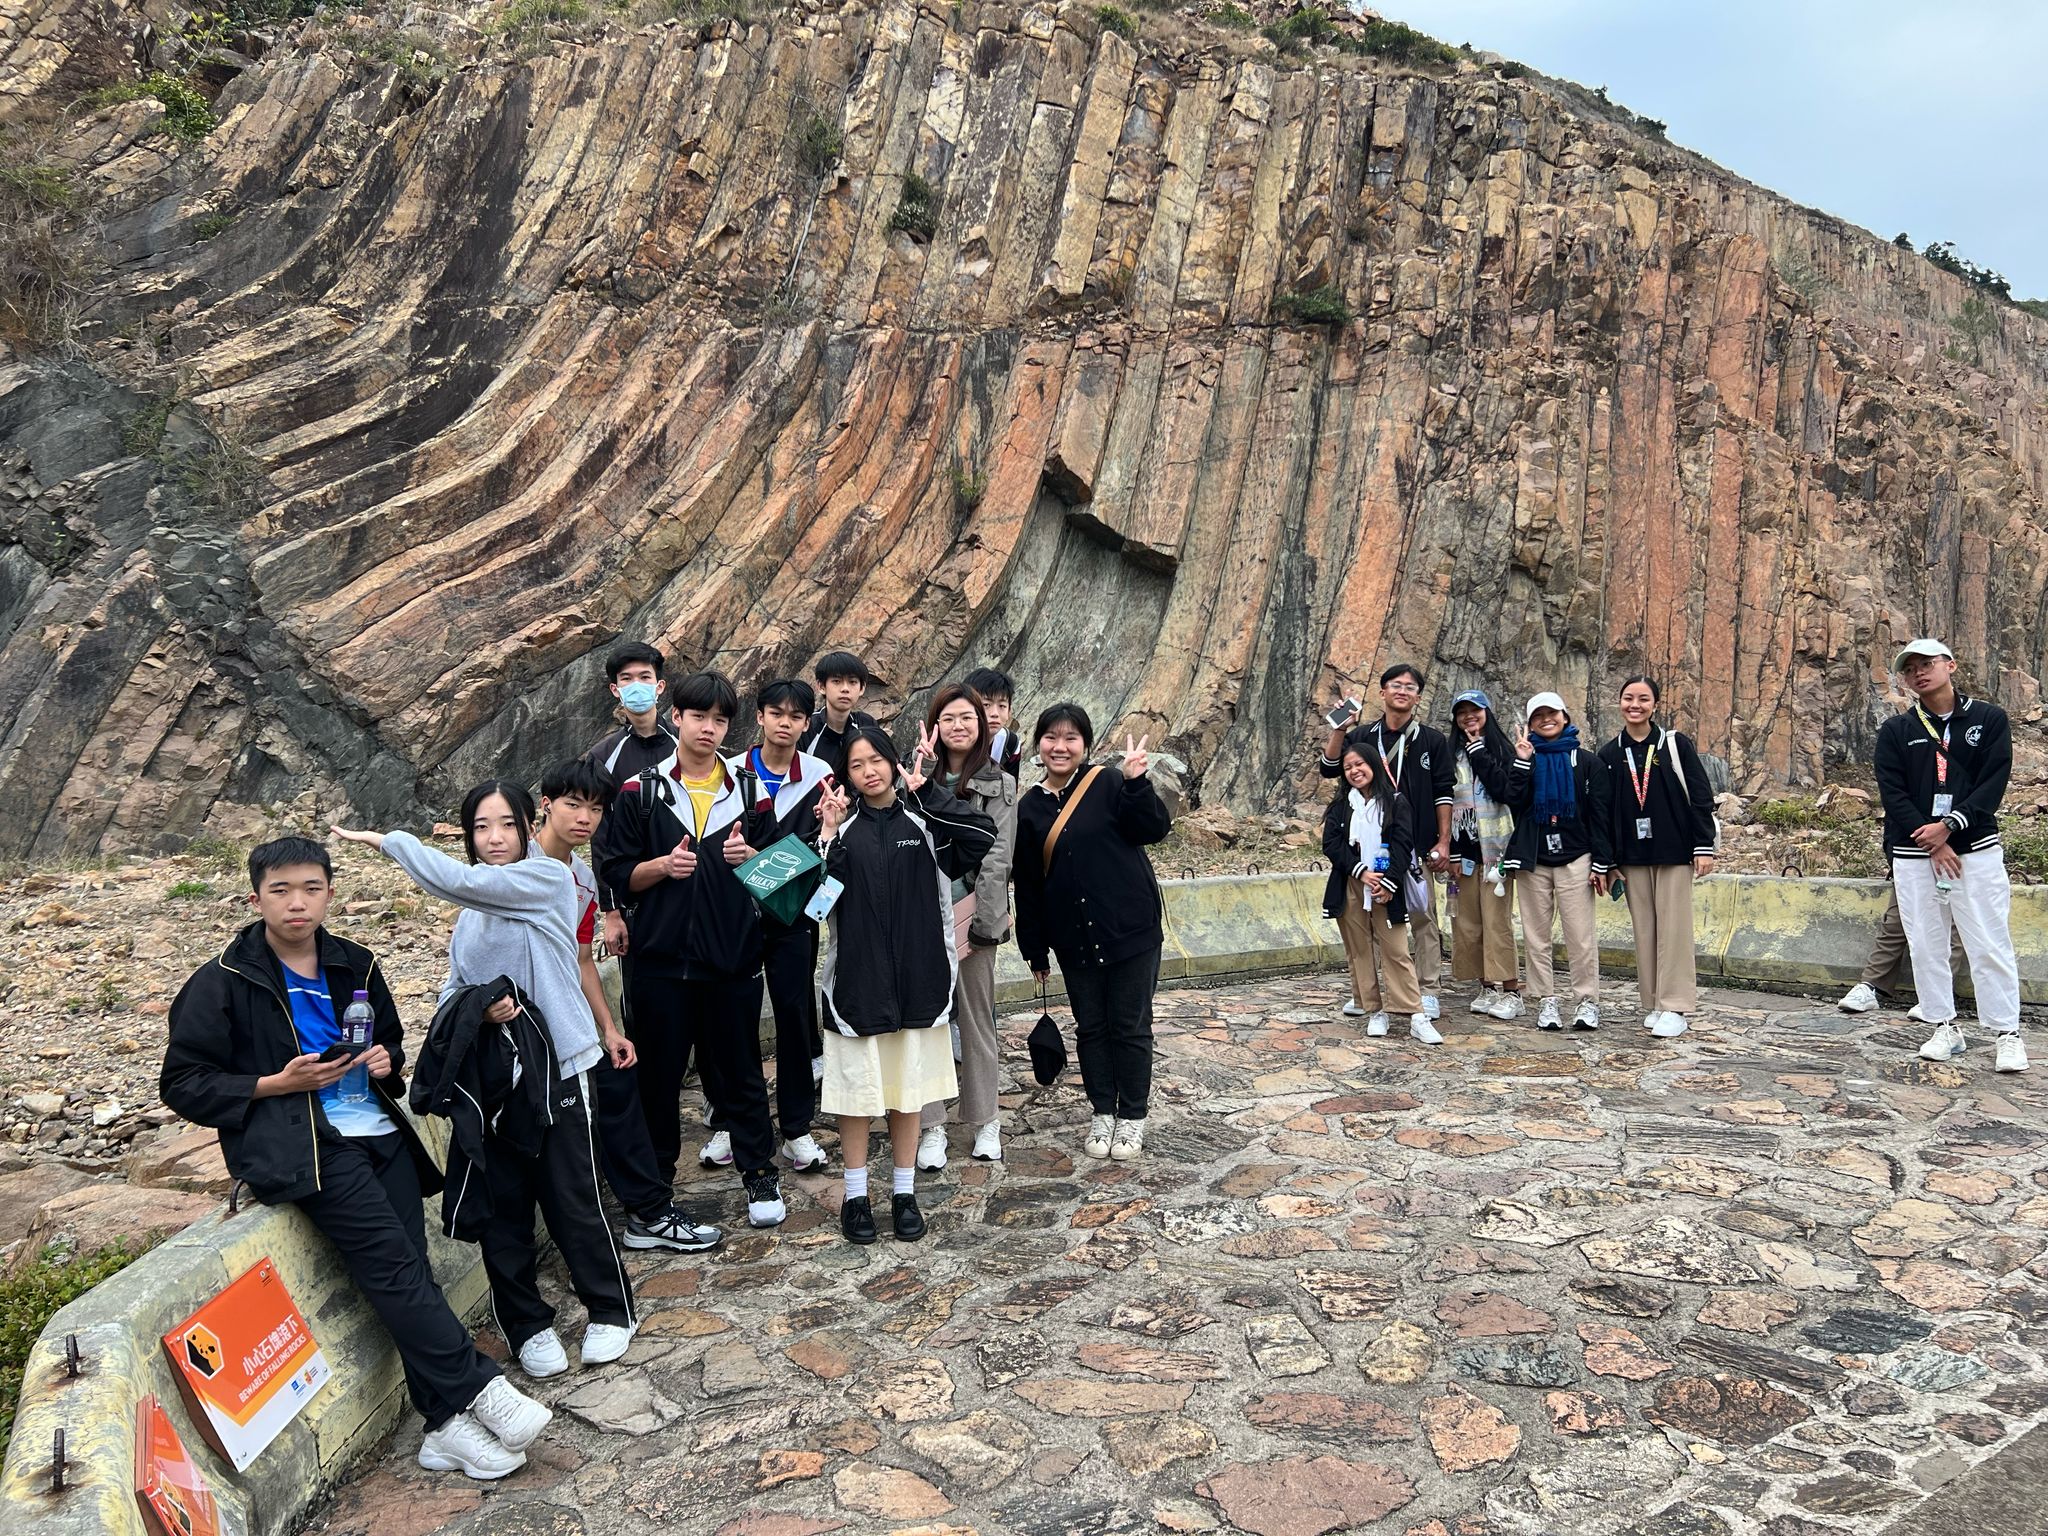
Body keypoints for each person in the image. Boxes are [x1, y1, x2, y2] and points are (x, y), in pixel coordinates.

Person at [161, 838, 552, 1480]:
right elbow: (182, 1083)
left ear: (330, 894)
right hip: (306, 1145)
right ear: (256, 898)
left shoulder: (356, 963)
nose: (297, 903)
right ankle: (482, 1390)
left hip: (378, 1131)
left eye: (311, 889)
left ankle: (442, 1427)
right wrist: (275, 1084)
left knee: (408, 1273)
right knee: (396, 1269)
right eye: (281, 890)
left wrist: (384, 1061)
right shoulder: (223, 980)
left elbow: (392, 1045)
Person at [332, 790, 639, 1383]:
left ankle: (610, 1309)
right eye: (480, 827)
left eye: (506, 825)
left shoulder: (547, 878)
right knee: (503, 1209)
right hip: (495, 1083)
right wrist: (479, 1006)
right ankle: (526, 1325)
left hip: (560, 1066)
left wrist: (392, 842)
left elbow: (460, 881)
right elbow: (453, 988)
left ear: (529, 827)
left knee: (572, 1197)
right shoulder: (471, 914)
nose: (494, 838)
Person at [591, 671, 790, 1224]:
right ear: (676, 716)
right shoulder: (641, 792)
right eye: (698, 716)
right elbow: (616, 872)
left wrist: (750, 859)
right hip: (659, 964)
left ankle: (759, 1174)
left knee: (742, 1073)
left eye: (720, 720)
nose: (708, 728)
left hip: (732, 960)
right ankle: (655, 1186)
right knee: (658, 1079)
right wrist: (661, 866)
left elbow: (779, 873)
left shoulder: (750, 791)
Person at [533, 760, 723, 1253]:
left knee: (619, 1083)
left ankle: (648, 1212)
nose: (585, 818)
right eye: (574, 805)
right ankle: (619, 1226)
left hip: (565, 1019)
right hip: (519, 1023)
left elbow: (582, 960)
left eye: (596, 809)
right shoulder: (514, 866)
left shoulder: (583, 879)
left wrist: (609, 1029)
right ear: (546, 805)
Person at [817, 727, 997, 1242]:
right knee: (856, 1097)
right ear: (846, 775)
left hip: (921, 982)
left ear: (894, 762)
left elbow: (981, 837)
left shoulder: (925, 821)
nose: (868, 771)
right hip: (856, 988)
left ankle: (904, 1193)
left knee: (908, 1092)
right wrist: (827, 835)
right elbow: (815, 904)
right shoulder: (841, 832)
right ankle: (855, 1197)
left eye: (877, 760)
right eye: (856, 765)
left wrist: (929, 792)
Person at [1014, 704, 1173, 1161]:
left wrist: (1136, 782)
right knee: (1092, 1028)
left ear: (1085, 744)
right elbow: (1028, 883)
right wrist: (1034, 947)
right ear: (1039, 745)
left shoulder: (1108, 783)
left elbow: (1152, 829)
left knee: (1130, 1026)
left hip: (1130, 930)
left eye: (1071, 738)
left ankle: (1133, 1116)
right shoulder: (1029, 807)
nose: (1060, 747)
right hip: (1074, 937)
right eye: (1051, 737)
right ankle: (1103, 1111)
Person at [1874, 638, 2027, 1072]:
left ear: (1951, 665)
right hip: (1915, 851)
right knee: (1926, 944)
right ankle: (1944, 1026)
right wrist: (1935, 841)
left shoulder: (1988, 719)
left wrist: (1951, 826)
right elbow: (1893, 793)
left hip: (1974, 848)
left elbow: (1992, 782)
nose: (1919, 672)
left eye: (1927, 663)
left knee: (1988, 940)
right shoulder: (1896, 730)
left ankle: (2007, 1033)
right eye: (1910, 669)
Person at [915, 684, 1019, 1167]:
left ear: (981, 725)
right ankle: (931, 1124)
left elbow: (998, 859)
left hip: (973, 913)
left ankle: (985, 1119)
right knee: (927, 1023)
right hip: (922, 916)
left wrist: (984, 924)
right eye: (949, 718)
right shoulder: (914, 774)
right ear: (935, 725)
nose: (958, 726)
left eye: (967, 718)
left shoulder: (999, 783)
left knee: (976, 1020)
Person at [1321, 664, 1454, 1019]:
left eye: (1410, 687)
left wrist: (1443, 841)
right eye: (1396, 685)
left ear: (1418, 697)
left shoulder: (1432, 740)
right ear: (1382, 692)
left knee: (1422, 916)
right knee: (1369, 917)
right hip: (1369, 843)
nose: (1402, 691)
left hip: (1416, 843)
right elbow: (1330, 767)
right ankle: (1370, 994)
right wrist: (1340, 729)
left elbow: (1444, 792)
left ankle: (1427, 989)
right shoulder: (1364, 735)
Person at [742, 677, 836, 1172]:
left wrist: (760, 858)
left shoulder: (820, 774)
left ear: (806, 723)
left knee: (795, 1018)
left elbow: (823, 845)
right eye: (776, 713)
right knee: (734, 1019)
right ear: (759, 717)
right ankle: (734, 1121)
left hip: (795, 917)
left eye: (796, 716)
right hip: (738, 917)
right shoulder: (732, 772)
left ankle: (797, 1127)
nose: (785, 723)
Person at [1597, 676, 1717, 1039]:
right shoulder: (1609, 754)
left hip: (1674, 851)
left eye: (1643, 699)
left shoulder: (1674, 744)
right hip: (1631, 857)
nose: (1635, 705)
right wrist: (1607, 861)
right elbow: (1601, 812)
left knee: (1674, 930)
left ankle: (1675, 1005)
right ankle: (1653, 1002)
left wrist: (1704, 846)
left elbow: (1700, 794)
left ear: (1655, 705)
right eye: (1628, 698)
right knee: (1645, 931)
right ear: (1619, 703)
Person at [1508, 693, 1611, 1031]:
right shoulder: (1526, 760)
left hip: (1576, 857)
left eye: (1551, 713)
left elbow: (1600, 815)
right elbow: (1513, 801)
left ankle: (1586, 1000)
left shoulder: (1587, 762)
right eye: (1537, 716)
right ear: (1530, 723)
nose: (1546, 720)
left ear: (1565, 716)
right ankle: (1546, 1000)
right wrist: (1522, 762)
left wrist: (1601, 861)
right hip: (1534, 858)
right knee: (1536, 936)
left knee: (1580, 935)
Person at [1320, 743, 1429, 1041]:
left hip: (1385, 884)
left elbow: (1402, 844)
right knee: (1360, 950)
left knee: (1396, 949)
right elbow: (1331, 844)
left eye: (1359, 764)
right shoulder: (1342, 806)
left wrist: (1389, 881)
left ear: (1373, 765)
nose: (1354, 771)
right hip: (1352, 884)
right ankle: (1374, 1010)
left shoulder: (1395, 802)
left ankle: (1415, 1013)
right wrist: (1360, 871)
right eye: (1348, 768)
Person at [583, 641, 680, 962]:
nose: (636, 685)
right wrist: (611, 913)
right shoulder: (603, 757)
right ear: (615, 689)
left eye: (644, 677)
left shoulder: (685, 744)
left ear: (659, 686)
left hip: (687, 882)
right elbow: (601, 836)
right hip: (634, 896)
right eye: (627, 679)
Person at [1447, 690, 1530, 1019]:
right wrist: (1450, 851)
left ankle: (1512, 991)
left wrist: (1479, 752)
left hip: (1497, 854)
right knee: (1467, 923)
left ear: (1487, 713)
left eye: (1475, 710)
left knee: (1497, 924)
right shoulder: (1450, 756)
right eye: (1462, 712)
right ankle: (1486, 987)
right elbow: (1444, 804)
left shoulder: (1503, 751)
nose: (1469, 716)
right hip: (1463, 855)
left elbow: (1507, 792)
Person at [1838, 880, 1964, 1018]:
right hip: (1910, 869)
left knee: (1946, 930)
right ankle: (1870, 986)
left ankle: (1936, 999)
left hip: (1954, 874)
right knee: (1894, 923)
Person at [800, 650, 879, 778]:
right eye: (837, 681)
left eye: (852, 682)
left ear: (862, 688)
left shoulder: (866, 724)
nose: (845, 689)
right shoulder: (807, 728)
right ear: (821, 686)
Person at [965, 666, 1024, 779]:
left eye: (1002, 706)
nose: (995, 713)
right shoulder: (953, 739)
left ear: (1009, 711)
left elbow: (1010, 788)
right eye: (986, 705)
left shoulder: (1010, 744)